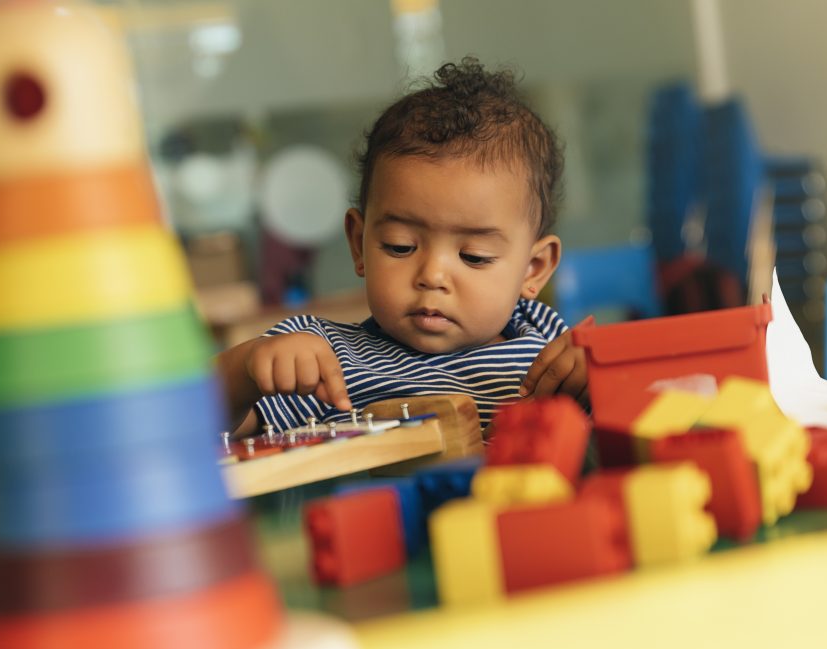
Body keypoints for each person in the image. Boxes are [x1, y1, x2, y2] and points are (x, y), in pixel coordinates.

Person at [217, 57, 588, 436]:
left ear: (534, 268)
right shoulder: (325, 359)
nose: (432, 276)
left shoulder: (547, 351)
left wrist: (599, 378)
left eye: (473, 256)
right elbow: (197, 426)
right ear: (359, 244)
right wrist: (245, 370)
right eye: (400, 247)